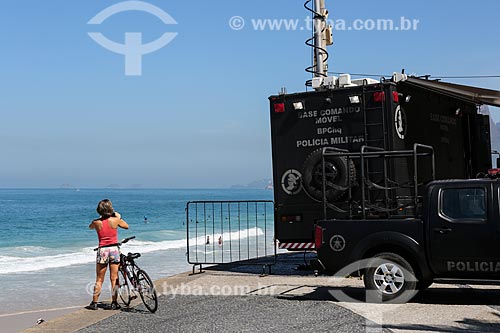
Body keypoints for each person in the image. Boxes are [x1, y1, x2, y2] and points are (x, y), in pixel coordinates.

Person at [87, 199, 129, 310]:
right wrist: (118, 217)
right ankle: (114, 302)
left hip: (103, 250)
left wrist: (100, 218)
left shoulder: (96, 222)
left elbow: (90, 227)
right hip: (114, 249)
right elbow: (126, 226)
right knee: (114, 278)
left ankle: (94, 303)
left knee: (99, 279)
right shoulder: (115, 220)